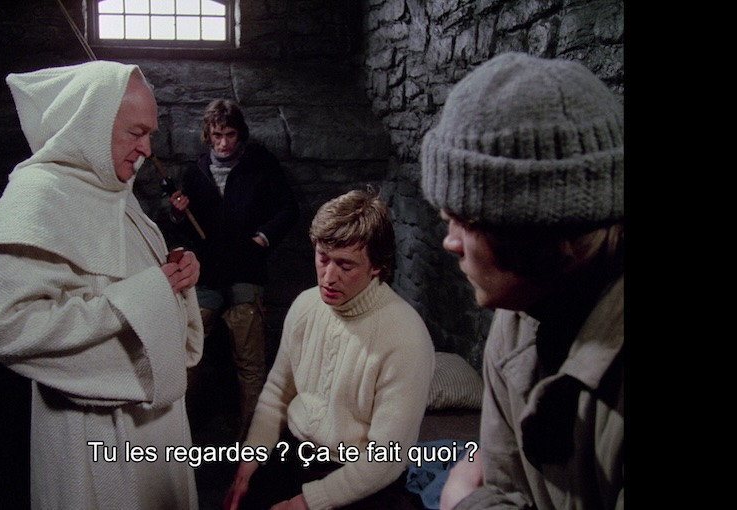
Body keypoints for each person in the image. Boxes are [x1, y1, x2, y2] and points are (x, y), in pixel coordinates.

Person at [0, 60, 204, 510]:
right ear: (92, 124)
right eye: (136, 133)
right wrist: (140, 297)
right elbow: (10, 328)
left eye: (150, 134)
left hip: (156, 426)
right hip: (93, 433)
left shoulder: (118, 193)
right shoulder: (38, 195)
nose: (147, 149)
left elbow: (139, 281)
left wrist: (176, 276)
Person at [418, 52, 624, 509]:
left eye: (466, 221)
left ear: (536, 233)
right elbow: (507, 484)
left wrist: (461, 503)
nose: (450, 242)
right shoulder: (517, 319)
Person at [224, 187, 436, 510]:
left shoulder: (406, 337)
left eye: (345, 265)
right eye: (323, 258)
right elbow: (277, 394)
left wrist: (307, 503)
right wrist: (248, 464)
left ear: (377, 267)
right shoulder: (305, 306)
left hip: (359, 472)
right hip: (294, 453)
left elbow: (386, 458)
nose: (328, 277)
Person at [168, 99, 299, 435]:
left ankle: (252, 443)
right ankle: (179, 436)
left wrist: (262, 239)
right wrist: (179, 214)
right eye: (217, 135)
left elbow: (288, 208)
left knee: (250, 363)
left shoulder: (260, 165)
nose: (223, 143)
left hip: (245, 273)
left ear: (240, 133)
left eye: (230, 134)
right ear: (208, 135)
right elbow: (185, 229)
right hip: (207, 276)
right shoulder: (195, 172)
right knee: (189, 355)